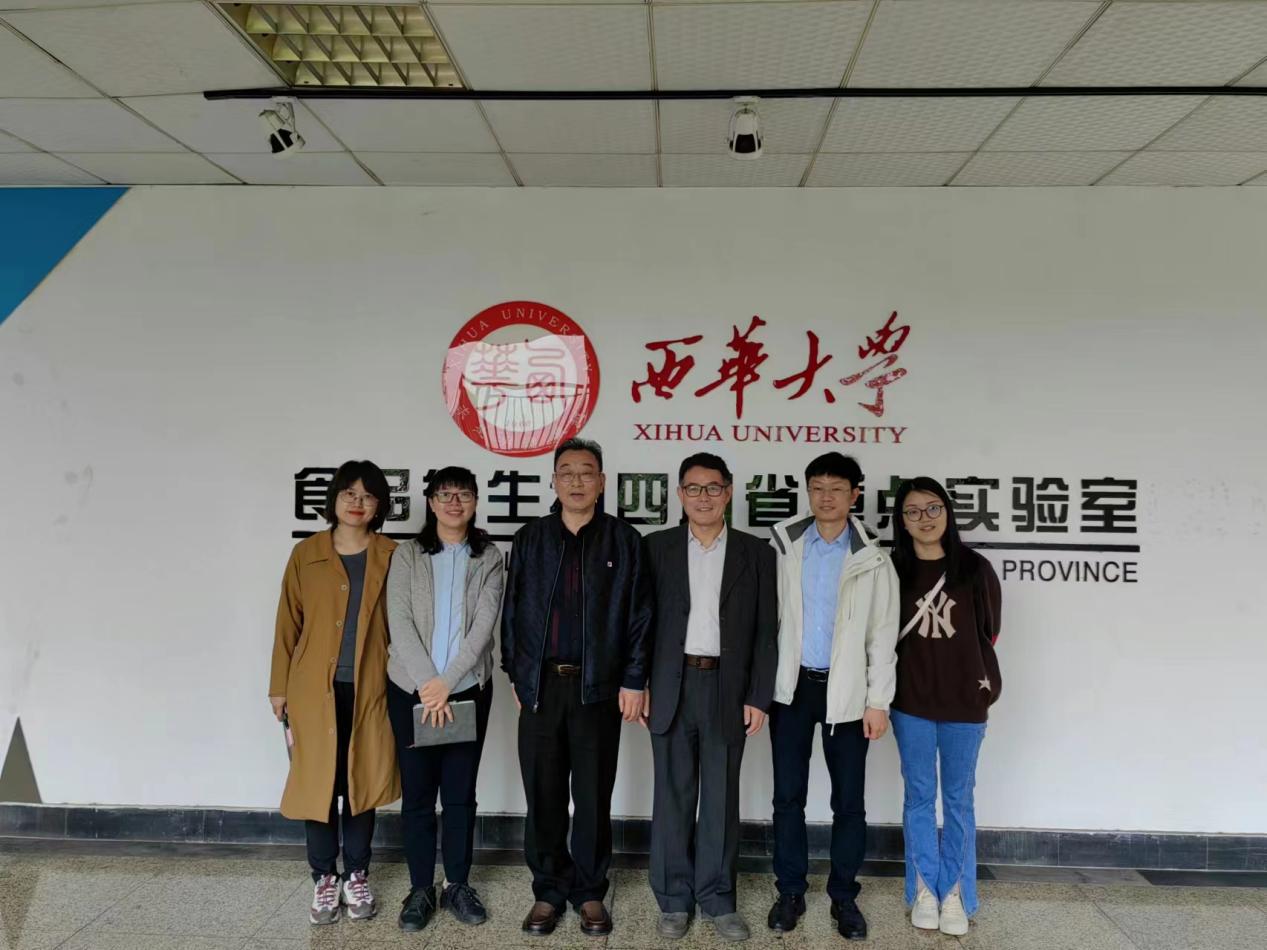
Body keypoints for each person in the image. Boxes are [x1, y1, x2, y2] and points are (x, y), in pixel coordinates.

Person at [500, 437, 653, 937]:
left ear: (602, 481)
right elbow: (512, 613)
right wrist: (518, 674)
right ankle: (548, 890)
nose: (577, 481)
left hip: (598, 689)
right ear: (553, 481)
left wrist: (634, 678)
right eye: (566, 473)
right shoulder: (531, 538)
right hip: (542, 687)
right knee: (543, 794)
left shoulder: (623, 541)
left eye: (587, 473)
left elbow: (639, 615)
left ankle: (589, 890)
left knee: (592, 795)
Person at [643, 453, 778, 943]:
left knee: (721, 798)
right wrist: (638, 683)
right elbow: (640, 624)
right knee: (672, 796)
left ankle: (718, 897)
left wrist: (759, 695)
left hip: (727, 687)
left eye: (713, 487)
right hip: (671, 685)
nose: (704, 497)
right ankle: (674, 899)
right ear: (680, 494)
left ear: (729, 491)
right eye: (694, 488)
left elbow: (767, 630)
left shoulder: (755, 552)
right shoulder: (654, 548)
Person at [766, 452, 899, 941]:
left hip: (848, 693)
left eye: (837, 489)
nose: (826, 497)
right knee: (788, 797)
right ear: (807, 491)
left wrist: (878, 701)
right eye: (817, 488)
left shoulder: (873, 557)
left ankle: (844, 896)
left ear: (854, 495)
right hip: (792, 689)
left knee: (849, 802)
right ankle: (790, 891)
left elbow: (882, 635)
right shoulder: (783, 546)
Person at [269, 460, 400, 926]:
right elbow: (288, 622)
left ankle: (357, 874)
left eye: (367, 496)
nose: (357, 503)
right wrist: (279, 688)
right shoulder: (306, 554)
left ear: (379, 505)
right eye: (349, 493)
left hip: (372, 688)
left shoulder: (393, 555)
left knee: (361, 780)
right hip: (311, 691)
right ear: (335, 499)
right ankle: (324, 877)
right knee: (319, 782)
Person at [385, 466, 505, 932]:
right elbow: (399, 620)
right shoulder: (408, 555)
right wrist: (427, 684)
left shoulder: (489, 556)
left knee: (459, 794)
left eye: (464, 495)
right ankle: (420, 888)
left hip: (467, 690)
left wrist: (446, 683)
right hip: (410, 690)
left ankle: (457, 883)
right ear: (431, 502)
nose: (455, 503)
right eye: (445, 494)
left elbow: (484, 627)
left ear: (475, 502)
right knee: (418, 794)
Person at [889, 477, 1002, 937]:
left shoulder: (974, 568)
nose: (925, 518)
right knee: (918, 796)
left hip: (964, 702)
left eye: (933, 508)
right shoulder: (893, 568)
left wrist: (975, 681)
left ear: (948, 512)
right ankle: (923, 890)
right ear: (901, 520)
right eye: (913, 511)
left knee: (958, 799)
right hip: (910, 701)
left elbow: (990, 631)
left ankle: (956, 893)